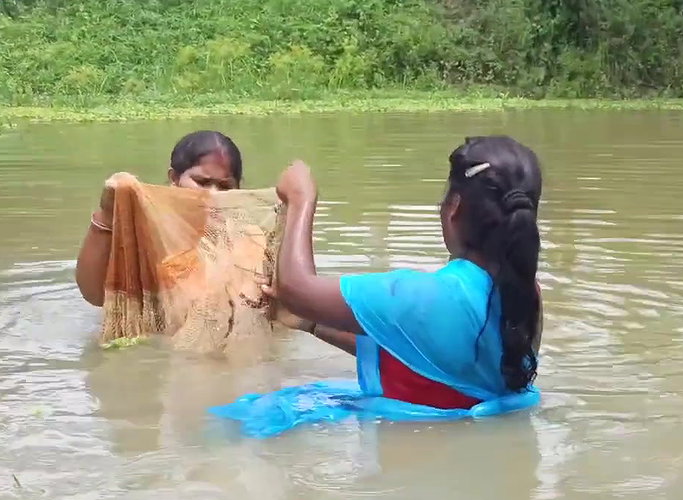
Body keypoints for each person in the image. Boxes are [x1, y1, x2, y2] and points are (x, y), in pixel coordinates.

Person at [210, 135, 544, 437]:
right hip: (469, 450)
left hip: (412, 455)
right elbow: (429, 354)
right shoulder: (527, 297)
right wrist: (309, 324)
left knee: (227, 425)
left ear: (453, 209)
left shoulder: (425, 296)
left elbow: (296, 289)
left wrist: (301, 198)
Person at [73, 130, 244, 307]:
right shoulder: (147, 231)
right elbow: (95, 295)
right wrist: (108, 214)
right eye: (202, 182)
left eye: (225, 186)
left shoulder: (247, 241)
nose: (213, 194)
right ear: (174, 178)